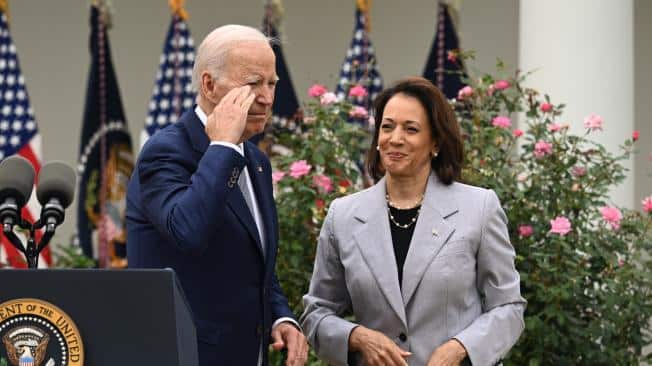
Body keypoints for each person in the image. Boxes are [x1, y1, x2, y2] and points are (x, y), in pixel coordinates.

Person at [301, 77, 526, 366]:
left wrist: (459, 348)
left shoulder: (479, 208)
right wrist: (357, 336)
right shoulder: (342, 216)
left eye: (411, 129)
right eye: (387, 126)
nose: (395, 138)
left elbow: (508, 307)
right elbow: (317, 312)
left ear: (435, 142)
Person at [126, 24, 308, 366]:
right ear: (209, 85)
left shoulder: (255, 160)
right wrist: (222, 145)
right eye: (253, 83)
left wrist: (281, 316)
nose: (268, 98)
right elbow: (188, 232)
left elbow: (255, 262)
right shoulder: (166, 151)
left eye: (271, 84)